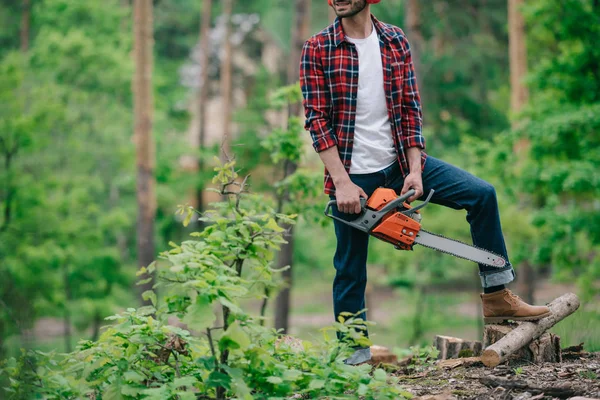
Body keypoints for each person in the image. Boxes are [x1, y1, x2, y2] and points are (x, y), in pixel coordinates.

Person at [299, 0, 550, 365]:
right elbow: (317, 120)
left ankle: (496, 292)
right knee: (349, 268)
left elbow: (410, 108)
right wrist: (342, 183)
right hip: (353, 176)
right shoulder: (317, 48)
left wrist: (415, 170)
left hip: (402, 162)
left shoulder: (394, 40)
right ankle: (352, 355)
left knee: (481, 195)